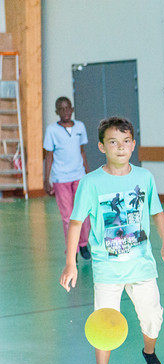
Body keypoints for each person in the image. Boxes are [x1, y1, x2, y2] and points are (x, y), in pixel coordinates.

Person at [59, 117, 164, 364]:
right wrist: (71, 262)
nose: (120, 148)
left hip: (142, 264)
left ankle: (149, 352)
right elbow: (76, 222)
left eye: (126, 142)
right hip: (107, 267)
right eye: (113, 142)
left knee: (152, 318)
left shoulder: (144, 178)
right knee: (104, 322)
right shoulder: (91, 183)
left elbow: (156, 211)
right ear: (101, 146)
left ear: (133, 145)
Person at [44, 96, 91, 261]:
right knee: (67, 216)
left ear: (72, 109)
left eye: (67, 108)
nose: (65, 112)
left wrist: (88, 173)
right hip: (60, 178)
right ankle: (73, 249)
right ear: (57, 112)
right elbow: (49, 156)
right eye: (61, 109)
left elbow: (82, 151)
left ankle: (84, 243)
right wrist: (46, 178)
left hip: (79, 176)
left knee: (83, 211)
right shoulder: (52, 130)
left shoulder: (80, 126)